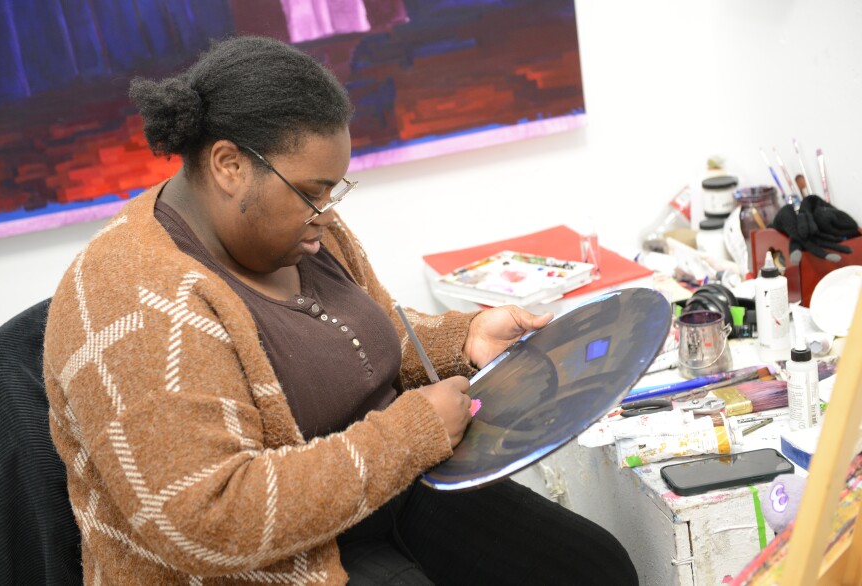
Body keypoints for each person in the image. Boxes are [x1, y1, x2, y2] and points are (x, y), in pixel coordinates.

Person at [43, 36, 638, 585]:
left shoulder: (303, 229)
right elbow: (208, 519)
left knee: (594, 569)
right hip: (265, 562)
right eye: (312, 191)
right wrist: (410, 433)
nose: (327, 213)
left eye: (334, 190)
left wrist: (466, 337)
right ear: (229, 165)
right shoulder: (135, 297)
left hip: (389, 491)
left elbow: (370, 336)